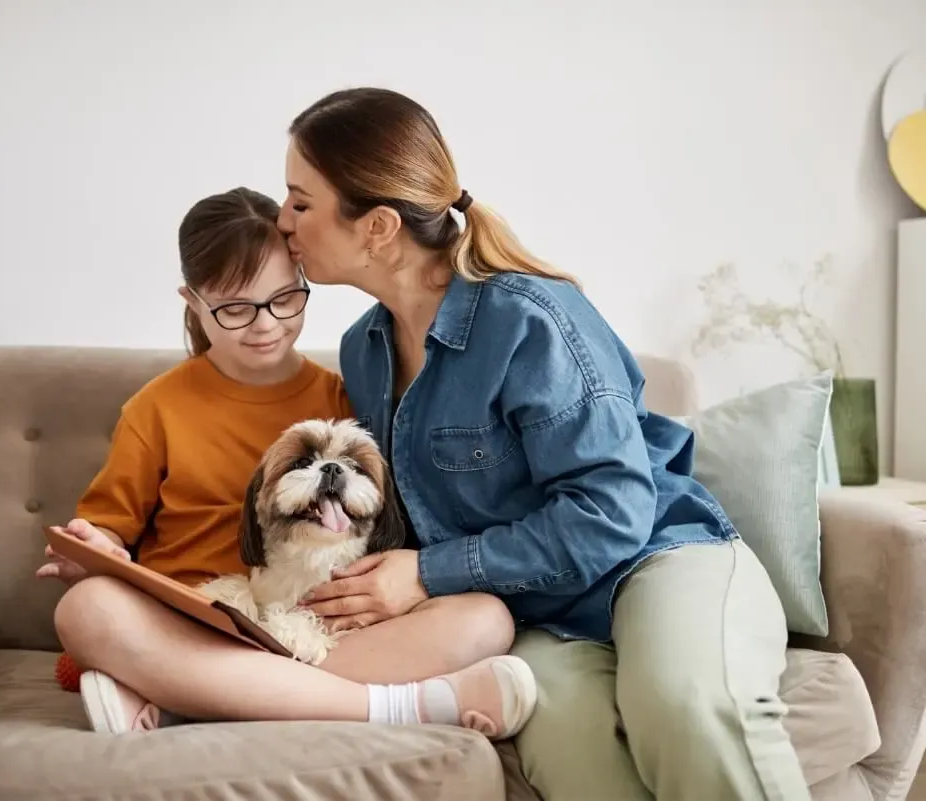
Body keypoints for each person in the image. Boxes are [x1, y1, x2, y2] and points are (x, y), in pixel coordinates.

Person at [276, 87, 811, 801]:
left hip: (657, 556)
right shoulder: (363, 350)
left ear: (375, 226)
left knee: (684, 706)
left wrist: (429, 572)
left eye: (299, 201)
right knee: (570, 750)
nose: (281, 220)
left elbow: (613, 511)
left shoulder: (529, 318)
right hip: (536, 611)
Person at [41, 186, 537, 739]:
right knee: (85, 609)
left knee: (485, 618)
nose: (265, 324)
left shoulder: (346, 399)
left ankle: (188, 696)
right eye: (234, 308)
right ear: (192, 300)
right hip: (193, 620)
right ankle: (399, 706)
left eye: (284, 299)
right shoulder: (155, 408)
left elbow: (382, 512)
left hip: (318, 623)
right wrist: (100, 547)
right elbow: (111, 527)